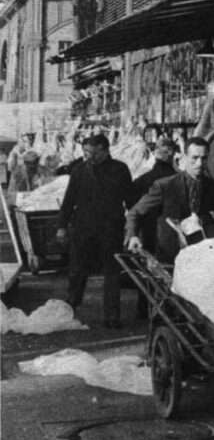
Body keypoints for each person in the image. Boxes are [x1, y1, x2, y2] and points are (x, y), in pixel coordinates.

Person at [56, 133, 134, 328]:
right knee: (77, 270)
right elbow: (69, 201)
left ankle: (112, 316)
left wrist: (132, 229)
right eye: (86, 152)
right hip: (83, 228)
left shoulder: (120, 170)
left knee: (112, 273)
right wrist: (61, 226)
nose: (88, 157)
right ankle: (71, 306)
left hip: (111, 229)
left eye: (93, 153)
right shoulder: (79, 170)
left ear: (105, 150)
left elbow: (131, 201)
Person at [125, 136, 214, 264]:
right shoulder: (165, 186)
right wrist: (133, 236)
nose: (200, 163)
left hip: (203, 259)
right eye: (195, 158)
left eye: (204, 158)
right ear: (184, 158)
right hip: (171, 256)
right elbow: (135, 213)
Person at [130, 135, 177, 319]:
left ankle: (144, 308)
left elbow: (133, 205)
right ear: (172, 154)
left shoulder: (143, 179)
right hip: (171, 232)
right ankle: (168, 309)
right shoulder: (177, 179)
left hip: (148, 230)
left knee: (147, 269)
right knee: (170, 271)